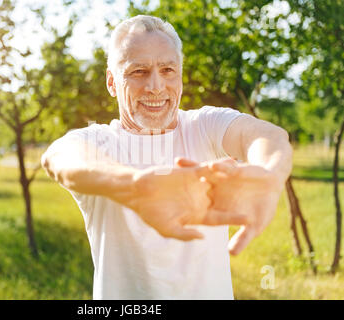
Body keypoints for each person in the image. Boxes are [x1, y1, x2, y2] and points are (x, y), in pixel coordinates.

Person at [41, 15, 292, 299]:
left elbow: (266, 136)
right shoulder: (98, 141)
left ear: (180, 76)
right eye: (139, 71)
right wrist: (135, 186)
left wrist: (271, 175)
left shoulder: (206, 125)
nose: (156, 86)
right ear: (112, 82)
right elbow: (59, 157)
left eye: (168, 69)